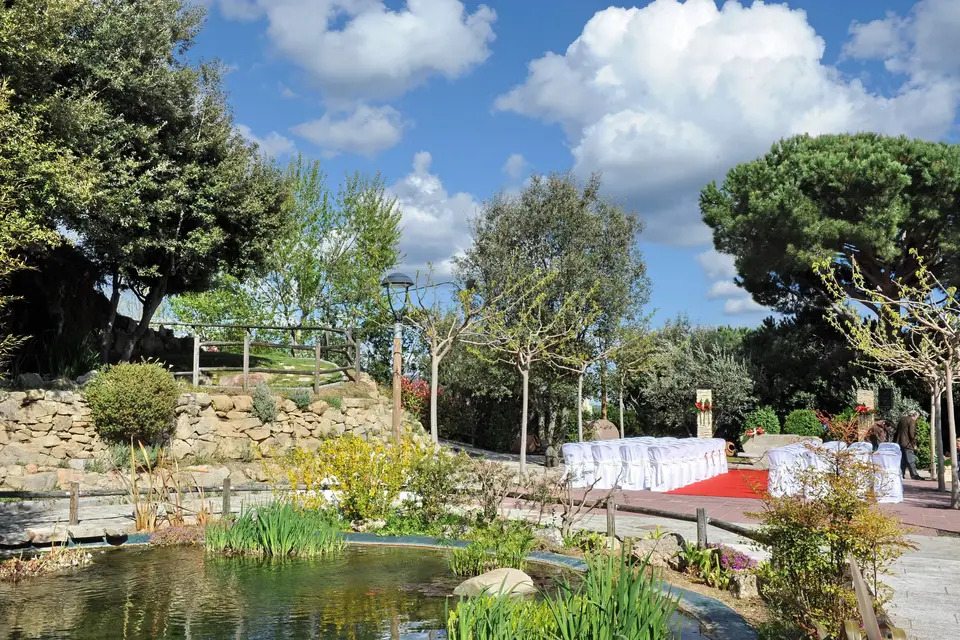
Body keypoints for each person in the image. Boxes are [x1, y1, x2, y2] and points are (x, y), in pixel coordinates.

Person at [895, 410, 924, 480]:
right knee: (911, 459)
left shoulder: (902, 419)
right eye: (917, 416)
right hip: (907, 443)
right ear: (914, 415)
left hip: (899, 442)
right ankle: (914, 475)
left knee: (903, 460)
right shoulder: (911, 421)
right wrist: (914, 444)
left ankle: (901, 474)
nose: (917, 418)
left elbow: (897, 431)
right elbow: (911, 434)